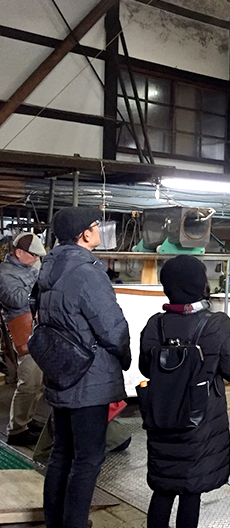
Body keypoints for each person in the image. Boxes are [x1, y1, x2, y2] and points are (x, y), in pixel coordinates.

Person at [39, 207, 131, 528]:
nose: (99, 230)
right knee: (88, 460)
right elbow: (112, 327)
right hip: (89, 379)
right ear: (84, 234)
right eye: (95, 225)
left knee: (61, 454)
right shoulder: (88, 272)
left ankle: (56, 522)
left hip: (59, 371)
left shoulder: (49, 268)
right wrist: (125, 357)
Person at [140, 255, 230, 528]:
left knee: (163, 487)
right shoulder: (218, 323)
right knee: (191, 490)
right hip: (201, 420)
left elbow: (145, 369)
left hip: (162, 416)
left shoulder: (155, 324)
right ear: (201, 284)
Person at [0, 232, 46, 446]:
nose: (36, 259)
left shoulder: (29, 268)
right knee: (28, 381)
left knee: (37, 381)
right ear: (19, 253)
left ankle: (27, 419)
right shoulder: (4, 273)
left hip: (35, 329)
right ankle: (17, 430)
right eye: (33, 255)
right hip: (23, 330)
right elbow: (18, 300)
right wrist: (37, 278)